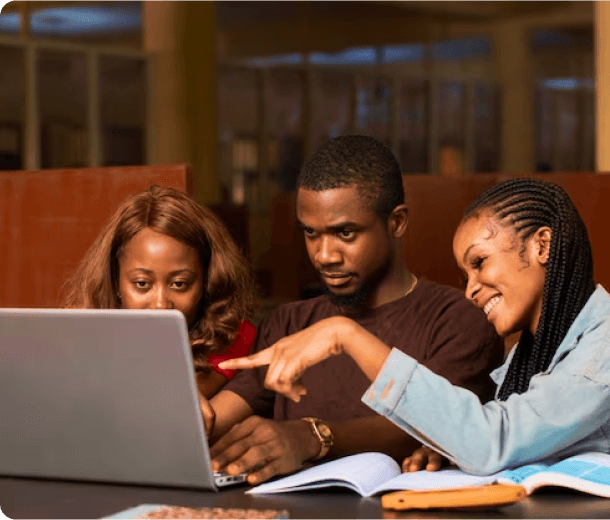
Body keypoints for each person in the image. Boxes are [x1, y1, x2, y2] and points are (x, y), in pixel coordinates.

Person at [223, 177, 608, 476]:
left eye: (480, 262)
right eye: (464, 275)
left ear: (542, 245)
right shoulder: (531, 353)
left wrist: (344, 334)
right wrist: (450, 449)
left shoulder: (603, 346)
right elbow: (516, 442)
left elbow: (493, 441)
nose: (471, 289)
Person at [207, 135, 504, 485]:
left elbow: (434, 425)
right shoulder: (288, 323)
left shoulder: (457, 319)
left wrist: (308, 437)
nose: (324, 255)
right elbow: (213, 419)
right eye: (311, 233)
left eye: (345, 233)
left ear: (396, 223)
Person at [62, 185, 257, 405]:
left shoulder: (234, 336)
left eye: (179, 284)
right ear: (115, 280)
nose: (161, 304)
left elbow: (166, 404)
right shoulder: (77, 327)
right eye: (142, 284)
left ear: (207, 282)